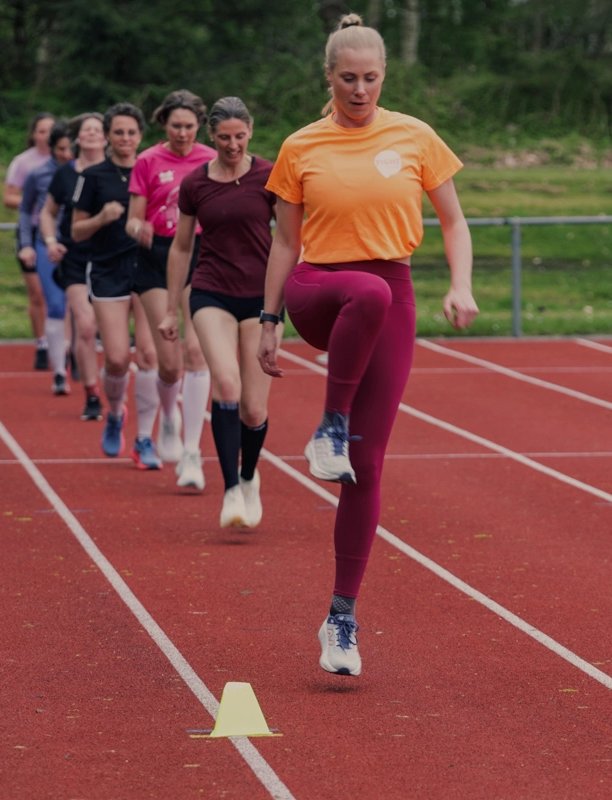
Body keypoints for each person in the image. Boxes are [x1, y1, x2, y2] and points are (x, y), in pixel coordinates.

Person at [258, 14, 479, 677]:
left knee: (369, 467)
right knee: (369, 295)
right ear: (328, 77)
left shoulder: (415, 136)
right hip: (317, 289)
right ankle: (328, 423)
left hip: (393, 291)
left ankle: (341, 618)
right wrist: (268, 318)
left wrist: (461, 286)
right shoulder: (300, 146)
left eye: (371, 79)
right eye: (348, 79)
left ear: (385, 76)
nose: (360, 91)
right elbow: (286, 243)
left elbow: (454, 219)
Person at [158, 97, 278, 529]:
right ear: (212, 136)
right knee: (224, 382)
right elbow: (182, 247)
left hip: (261, 298)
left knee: (253, 409)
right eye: (224, 138)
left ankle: (249, 478)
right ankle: (230, 490)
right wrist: (171, 309)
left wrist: (282, 304)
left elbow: (288, 243)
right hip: (211, 291)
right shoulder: (195, 184)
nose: (232, 145)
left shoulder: (270, 176)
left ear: (251, 132)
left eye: (240, 137)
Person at [126, 90, 216, 491]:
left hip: (199, 252)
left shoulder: (211, 160)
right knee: (169, 362)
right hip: (155, 255)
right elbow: (132, 217)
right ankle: (168, 417)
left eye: (189, 126)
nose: (182, 133)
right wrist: (137, 227)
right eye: (175, 126)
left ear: (199, 126)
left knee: (197, 350)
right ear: (165, 124)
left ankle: (192, 449)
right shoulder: (147, 160)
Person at [71, 103, 163, 468]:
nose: (125, 139)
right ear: (108, 135)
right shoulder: (93, 176)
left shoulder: (154, 170)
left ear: (141, 136)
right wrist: (101, 217)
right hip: (108, 271)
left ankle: (144, 440)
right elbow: (76, 231)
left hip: (148, 268)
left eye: (131, 132)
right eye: (119, 132)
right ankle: (114, 412)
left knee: (150, 354)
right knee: (116, 358)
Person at [39, 112, 108, 421]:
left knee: (113, 335)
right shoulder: (65, 174)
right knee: (86, 324)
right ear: (78, 137)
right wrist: (51, 241)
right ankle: (92, 393)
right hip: (76, 256)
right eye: (87, 129)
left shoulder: (119, 172)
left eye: (98, 129)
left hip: (113, 257)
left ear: (107, 137)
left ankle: (111, 375)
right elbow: (47, 212)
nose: (92, 133)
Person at [19, 120, 74, 396]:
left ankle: (76, 353)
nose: (67, 153)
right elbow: (24, 209)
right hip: (46, 246)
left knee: (81, 309)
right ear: (51, 148)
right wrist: (26, 245)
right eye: (62, 148)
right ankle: (59, 371)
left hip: (79, 246)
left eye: (70, 148)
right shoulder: (38, 174)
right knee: (55, 305)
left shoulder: (87, 173)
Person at [3, 113, 55, 370]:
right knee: (37, 293)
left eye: (50, 131)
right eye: (41, 131)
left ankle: (66, 345)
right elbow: (9, 197)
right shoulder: (24, 163)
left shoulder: (67, 161)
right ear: (34, 134)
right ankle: (42, 344)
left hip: (59, 232)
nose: (46, 136)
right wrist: (35, 200)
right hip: (32, 231)